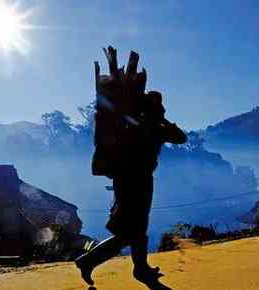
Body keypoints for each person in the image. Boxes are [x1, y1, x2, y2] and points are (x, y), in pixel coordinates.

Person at [75, 91, 187, 285]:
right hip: (135, 183)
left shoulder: (133, 125)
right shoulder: (152, 129)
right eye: (159, 109)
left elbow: (180, 138)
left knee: (137, 229)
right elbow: (180, 137)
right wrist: (164, 120)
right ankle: (88, 261)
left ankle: (140, 269)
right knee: (129, 233)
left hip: (129, 182)